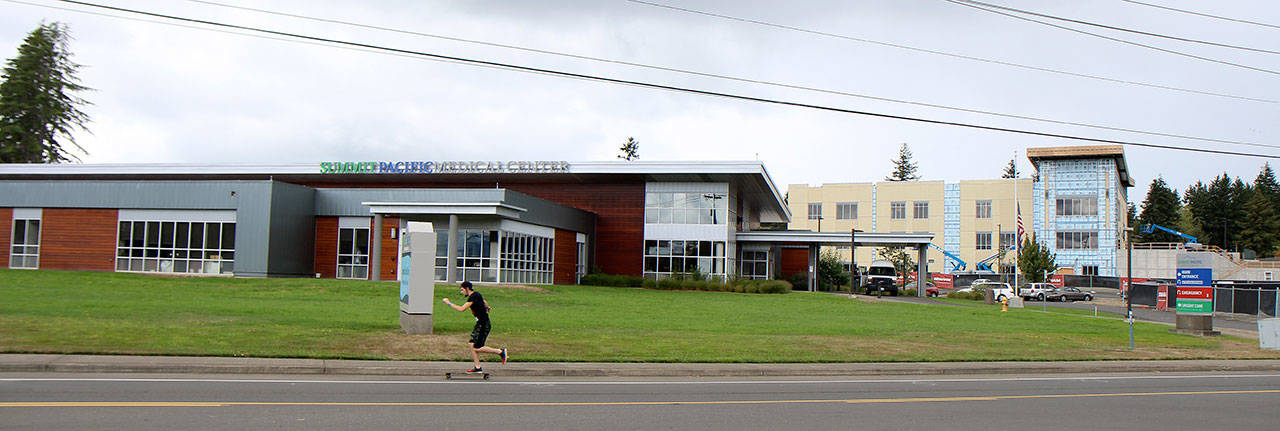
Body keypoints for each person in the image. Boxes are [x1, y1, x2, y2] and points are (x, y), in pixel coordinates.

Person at [442, 281, 507, 373]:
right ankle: (477, 367)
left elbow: (461, 309)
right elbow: (484, 301)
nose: (461, 292)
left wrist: (448, 303)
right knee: (471, 344)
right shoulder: (477, 294)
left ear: (467, 288)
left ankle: (500, 352)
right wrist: (487, 307)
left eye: (462, 290)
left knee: (477, 347)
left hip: (483, 324)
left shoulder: (473, 297)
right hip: (481, 323)